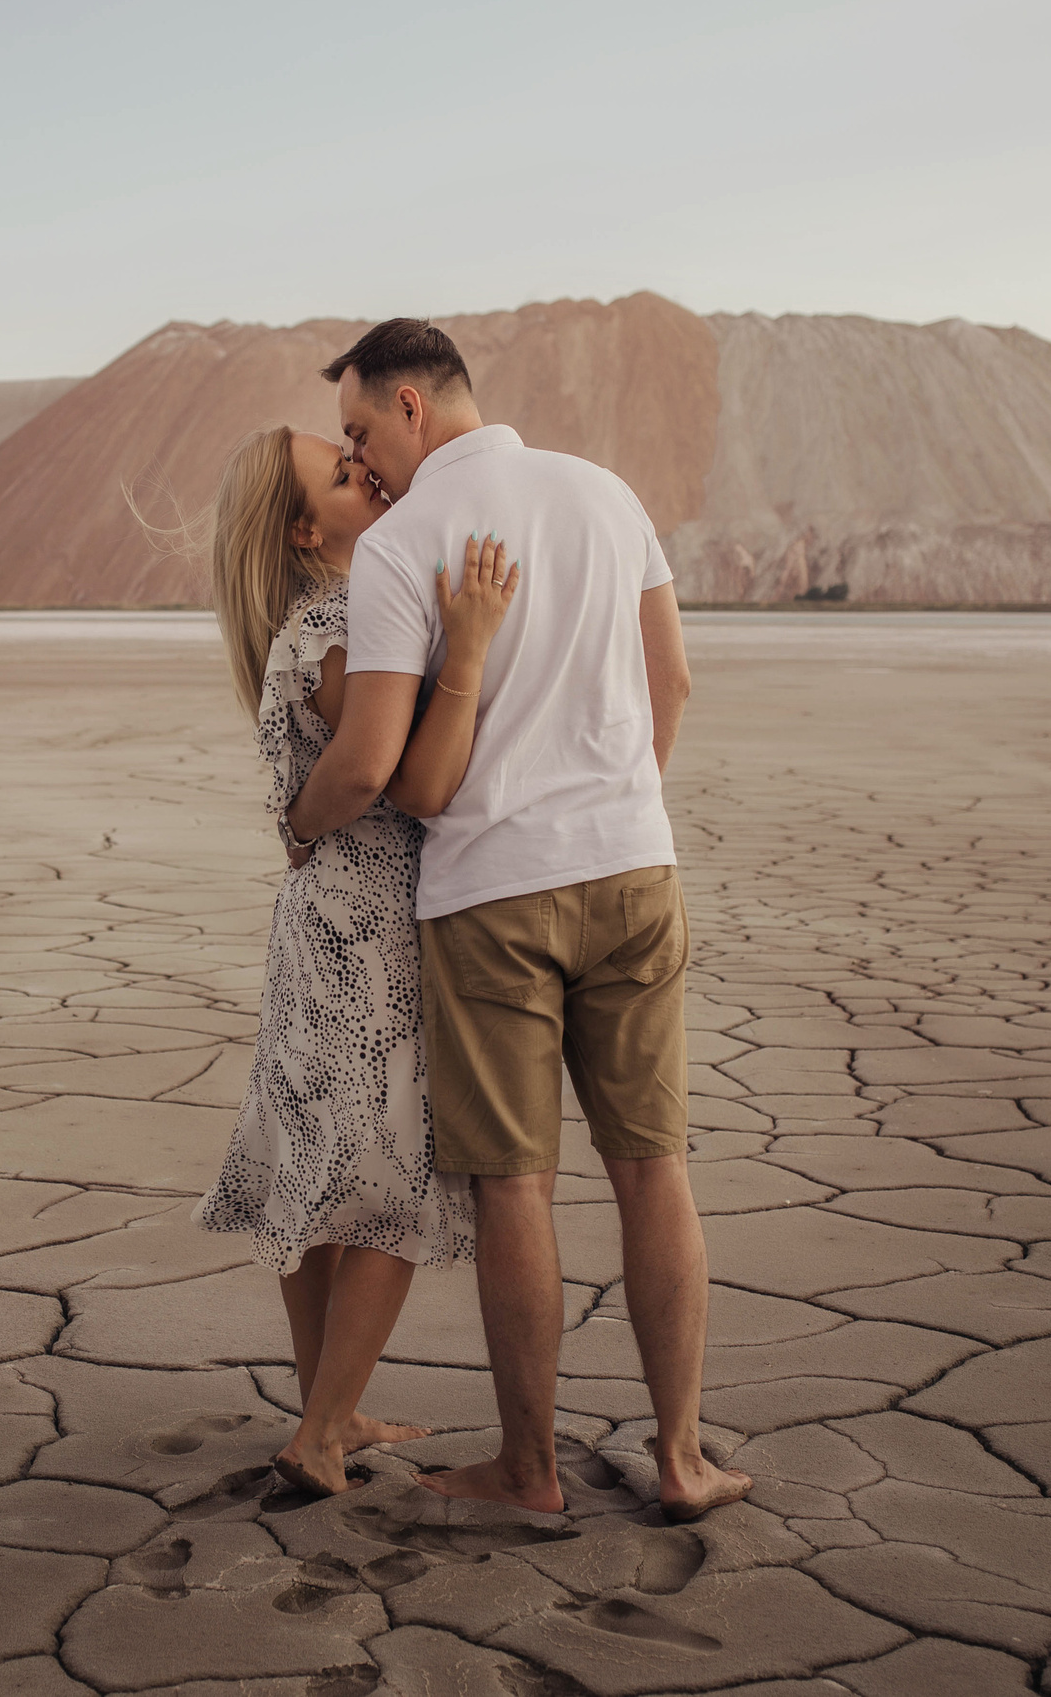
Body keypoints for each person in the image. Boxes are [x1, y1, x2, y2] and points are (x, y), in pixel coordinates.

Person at [281, 319, 753, 1521]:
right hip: (633, 869)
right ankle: (684, 1459)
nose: (359, 459)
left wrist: (305, 819)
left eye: (358, 431)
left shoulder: (404, 547)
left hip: (491, 895)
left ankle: (529, 1471)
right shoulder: (605, 493)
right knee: (653, 1169)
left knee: (515, 1192)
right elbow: (673, 679)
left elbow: (390, 773)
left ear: (410, 406)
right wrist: (617, 803)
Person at [192, 422, 519, 1497]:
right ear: (302, 529)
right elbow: (388, 773)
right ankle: (324, 1432)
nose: (367, 474)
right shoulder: (342, 622)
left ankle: (324, 1406)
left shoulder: (303, 623)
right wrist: (469, 649)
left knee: (315, 1166)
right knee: (390, 1177)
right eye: (341, 476)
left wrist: (297, 823)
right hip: (369, 932)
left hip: (320, 920)